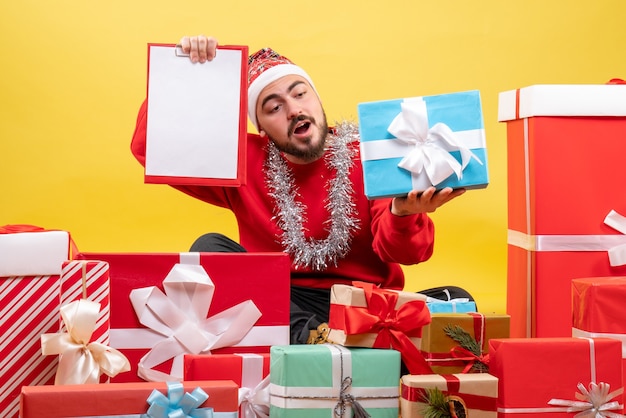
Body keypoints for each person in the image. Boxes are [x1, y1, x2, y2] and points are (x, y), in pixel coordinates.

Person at [131, 35, 472, 344]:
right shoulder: (241, 160)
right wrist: (186, 75)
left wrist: (403, 212)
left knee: (458, 301)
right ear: (261, 128)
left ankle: (335, 342)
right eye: (274, 107)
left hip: (364, 304)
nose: (294, 110)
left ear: (316, 98)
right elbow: (152, 149)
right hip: (279, 301)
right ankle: (315, 339)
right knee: (209, 248)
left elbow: (408, 254)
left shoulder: (371, 152)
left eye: (299, 93)